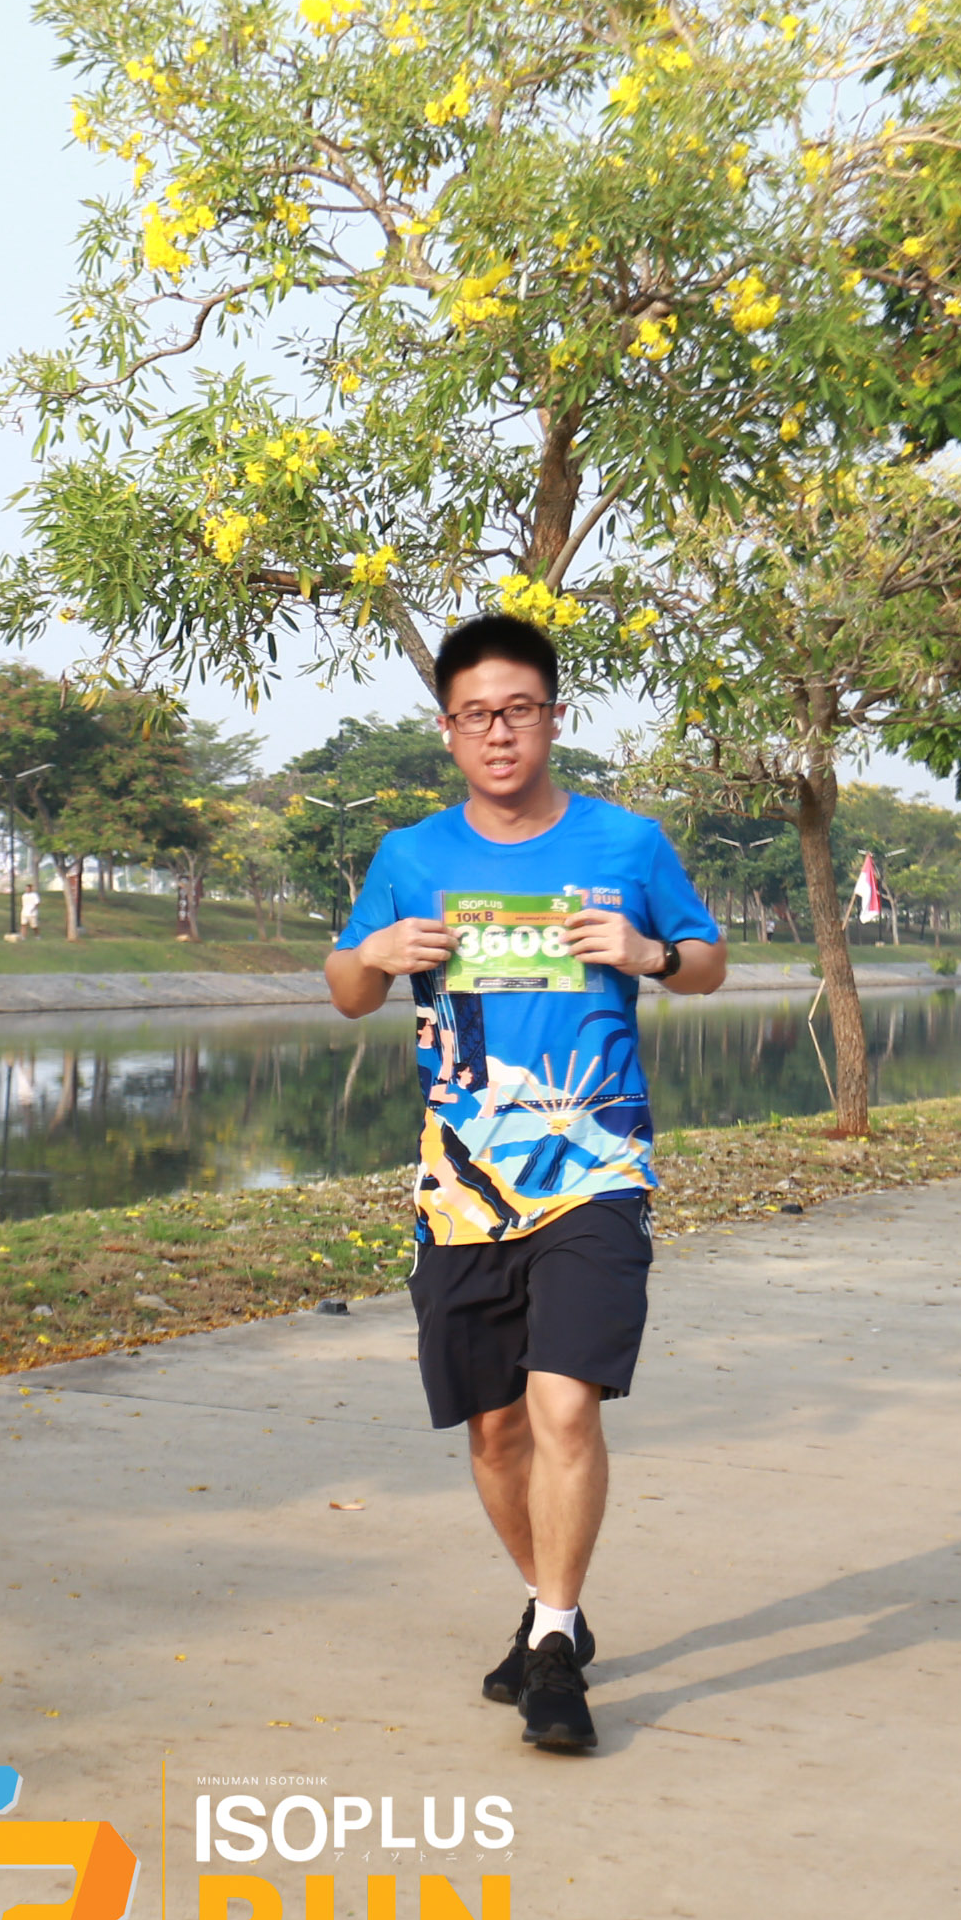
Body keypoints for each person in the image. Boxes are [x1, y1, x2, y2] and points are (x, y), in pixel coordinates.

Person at [329, 613, 725, 1756]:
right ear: (448, 730)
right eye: (475, 715)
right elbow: (347, 989)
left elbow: (708, 961)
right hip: (464, 1182)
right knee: (496, 1429)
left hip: (597, 1164)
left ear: (554, 715)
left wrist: (649, 954)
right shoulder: (411, 855)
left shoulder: (627, 841)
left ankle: (554, 1646)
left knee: (563, 1403)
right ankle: (555, 1604)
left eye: (518, 709)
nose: (498, 732)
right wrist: (373, 957)